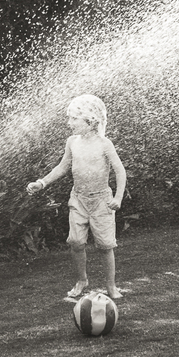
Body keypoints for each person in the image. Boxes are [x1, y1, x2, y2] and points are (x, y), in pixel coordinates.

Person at [27, 94, 126, 299]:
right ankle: (82, 280)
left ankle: (111, 286)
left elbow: (120, 170)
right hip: (78, 199)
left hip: (101, 201)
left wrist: (118, 197)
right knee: (76, 242)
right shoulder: (72, 142)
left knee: (105, 246)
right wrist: (42, 182)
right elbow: (63, 167)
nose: (69, 123)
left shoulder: (104, 144)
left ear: (90, 121)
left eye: (74, 118)